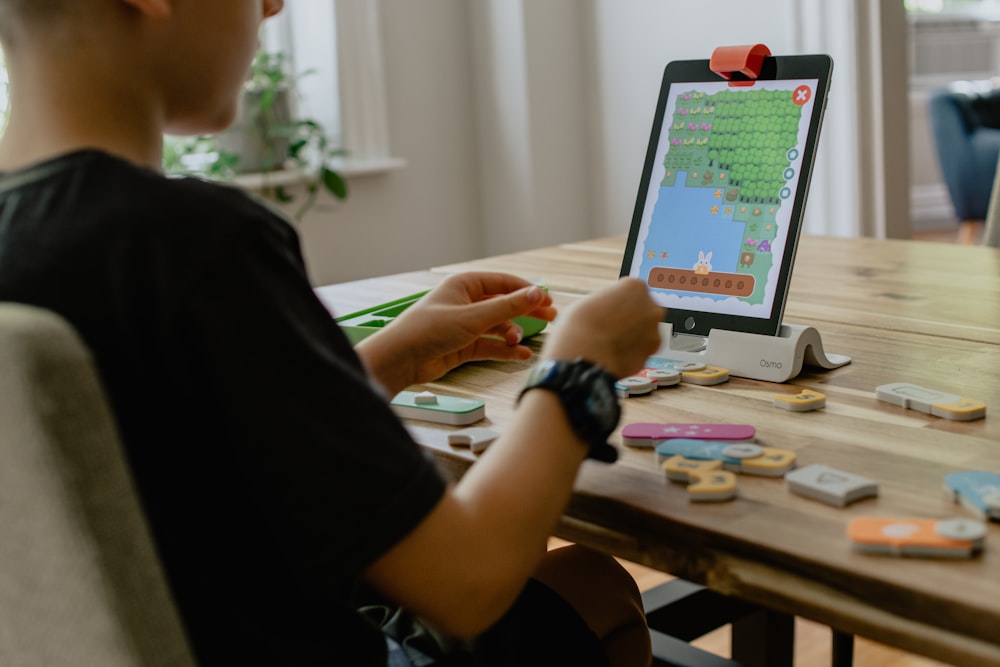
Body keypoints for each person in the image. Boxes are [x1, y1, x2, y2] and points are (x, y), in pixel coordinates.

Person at [0, 1, 664, 665]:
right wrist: (577, 368)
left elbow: (175, 441)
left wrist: (388, 356)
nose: (273, 5)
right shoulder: (194, 245)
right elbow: (467, 580)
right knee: (593, 583)